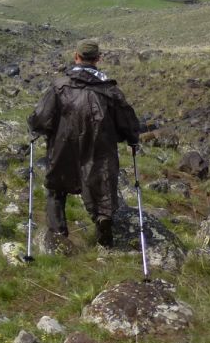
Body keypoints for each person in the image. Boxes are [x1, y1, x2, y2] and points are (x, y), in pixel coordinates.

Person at [28, 39, 140, 249]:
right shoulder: (110, 90)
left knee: (56, 188)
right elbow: (127, 120)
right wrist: (133, 138)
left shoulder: (60, 86)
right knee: (101, 185)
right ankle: (103, 222)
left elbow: (42, 117)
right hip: (100, 146)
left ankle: (58, 236)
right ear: (98, 59)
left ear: (76, 56)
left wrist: (34, 127)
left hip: (63, 146)